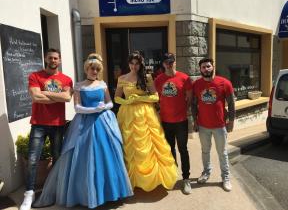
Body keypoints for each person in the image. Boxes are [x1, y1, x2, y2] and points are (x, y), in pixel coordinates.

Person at [33, 53, 133, 208]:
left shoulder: (103, 84)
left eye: (97, 69)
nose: (94, 71)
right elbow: (77, 107)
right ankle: (86, 194)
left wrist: (103, 107)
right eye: (92, 68)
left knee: (106, 155)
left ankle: (110, 192)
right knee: (84, 157)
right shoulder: (79, 86)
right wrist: (92, 110)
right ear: (87, 68)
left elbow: (110, 103)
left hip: (103, 123)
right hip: (84, 125)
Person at [114, 51, 177, 192]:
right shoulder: (122, 78)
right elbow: (116, 98)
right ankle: (131, 180)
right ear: (128, 63)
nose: (134, 66)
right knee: (131, 147)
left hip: (146, 115)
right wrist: (127, 101)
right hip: (128, 115)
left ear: (141, 64)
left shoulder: (147, 77)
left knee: (149, 146)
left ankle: (152, 179)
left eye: (137, 63)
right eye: (132, 63)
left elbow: (156, 97)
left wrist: (139, 98)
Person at [20, 48, 73, 210]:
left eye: (56, 58)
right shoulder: (35, 76)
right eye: (50, 58)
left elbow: (67, 97)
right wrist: (55, 97)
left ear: (60, 60)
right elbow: (35, 97)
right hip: (38, 123)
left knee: (57, 159)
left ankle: (56, 190)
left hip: (57, 124)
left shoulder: (66, 79)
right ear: (45, 58)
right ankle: (29, 194)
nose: (53, 60)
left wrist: (44, 93)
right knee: (33, 160)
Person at [192, 58, 235, 192]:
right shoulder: (196, 84)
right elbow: (194, 104)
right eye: (203, 67)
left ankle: (226, 177)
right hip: (203, 126)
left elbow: (232, 103)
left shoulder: (224, 83)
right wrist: (195, 121)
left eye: (208, 66)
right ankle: (206, 172)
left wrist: (231, 122)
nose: (206, 69)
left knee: (222, 153)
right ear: (200, 69)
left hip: (220, 126)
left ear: (213, 67)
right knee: (205, 151)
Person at [154, 53, 193, 195]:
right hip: (165, 121)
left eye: (171, 61)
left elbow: (189, 98)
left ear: (175, 62)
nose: (169, 64)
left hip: (181, 121)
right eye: (166, 62)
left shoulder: (185, 78)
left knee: (183, 149)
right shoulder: (158, 80)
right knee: (170, 150)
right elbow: (156, 98)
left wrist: (182, 110)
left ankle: (186, 179)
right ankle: (172, 175)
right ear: (163, 64)